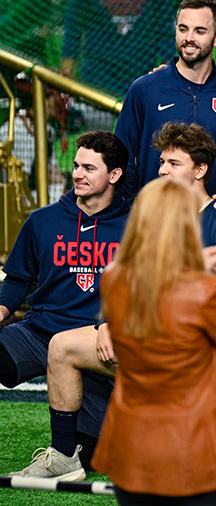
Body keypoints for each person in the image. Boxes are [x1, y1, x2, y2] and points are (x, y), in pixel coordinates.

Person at [8, 123, 216, 481]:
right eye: (161, 162)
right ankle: (66, 458)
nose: (162, 170)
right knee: (63, 346)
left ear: (200, 169)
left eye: (173, 163)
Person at [90, 178, 216, 506]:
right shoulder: (204, 291)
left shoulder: (114, 278)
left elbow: (158, 281)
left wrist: (196, 266)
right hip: (195, 453)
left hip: (133, 451)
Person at [4, 131, 130, 481]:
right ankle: (62, 456)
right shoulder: (43, 220)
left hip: (101, 345)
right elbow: (17, 280)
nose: (77, 173)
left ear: (114, 175)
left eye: (89, 167)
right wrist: (0, 309)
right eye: (76, 165)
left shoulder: (138, 224)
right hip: (42, 332)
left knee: (98, 456)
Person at [115, 0, 216, 206]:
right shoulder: (145, 89)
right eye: (183, 29)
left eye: (200, 31)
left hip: (212, 223)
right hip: (155, 220)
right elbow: (122, 160)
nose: (189, 38)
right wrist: (131, 213)